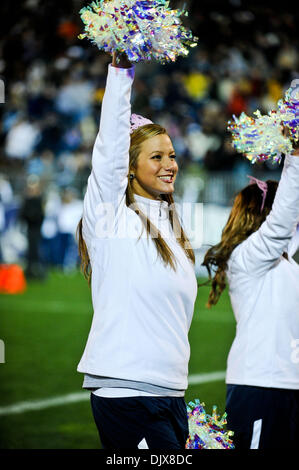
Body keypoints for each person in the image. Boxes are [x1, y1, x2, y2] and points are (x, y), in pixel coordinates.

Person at [76, 52, 197, 450]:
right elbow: (110, 149)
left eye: (172, 155)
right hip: (127, 393)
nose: (170, 165)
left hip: (170, 392)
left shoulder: (172, 225)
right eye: (157, 157)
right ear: (129, 167)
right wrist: (121, 70)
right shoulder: (110, 216)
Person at [202, 143, 299, 449]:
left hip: (288, 385)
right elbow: (283, 221)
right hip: (261, 386)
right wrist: (295, 154)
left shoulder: (288, 264)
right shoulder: (248, 257)